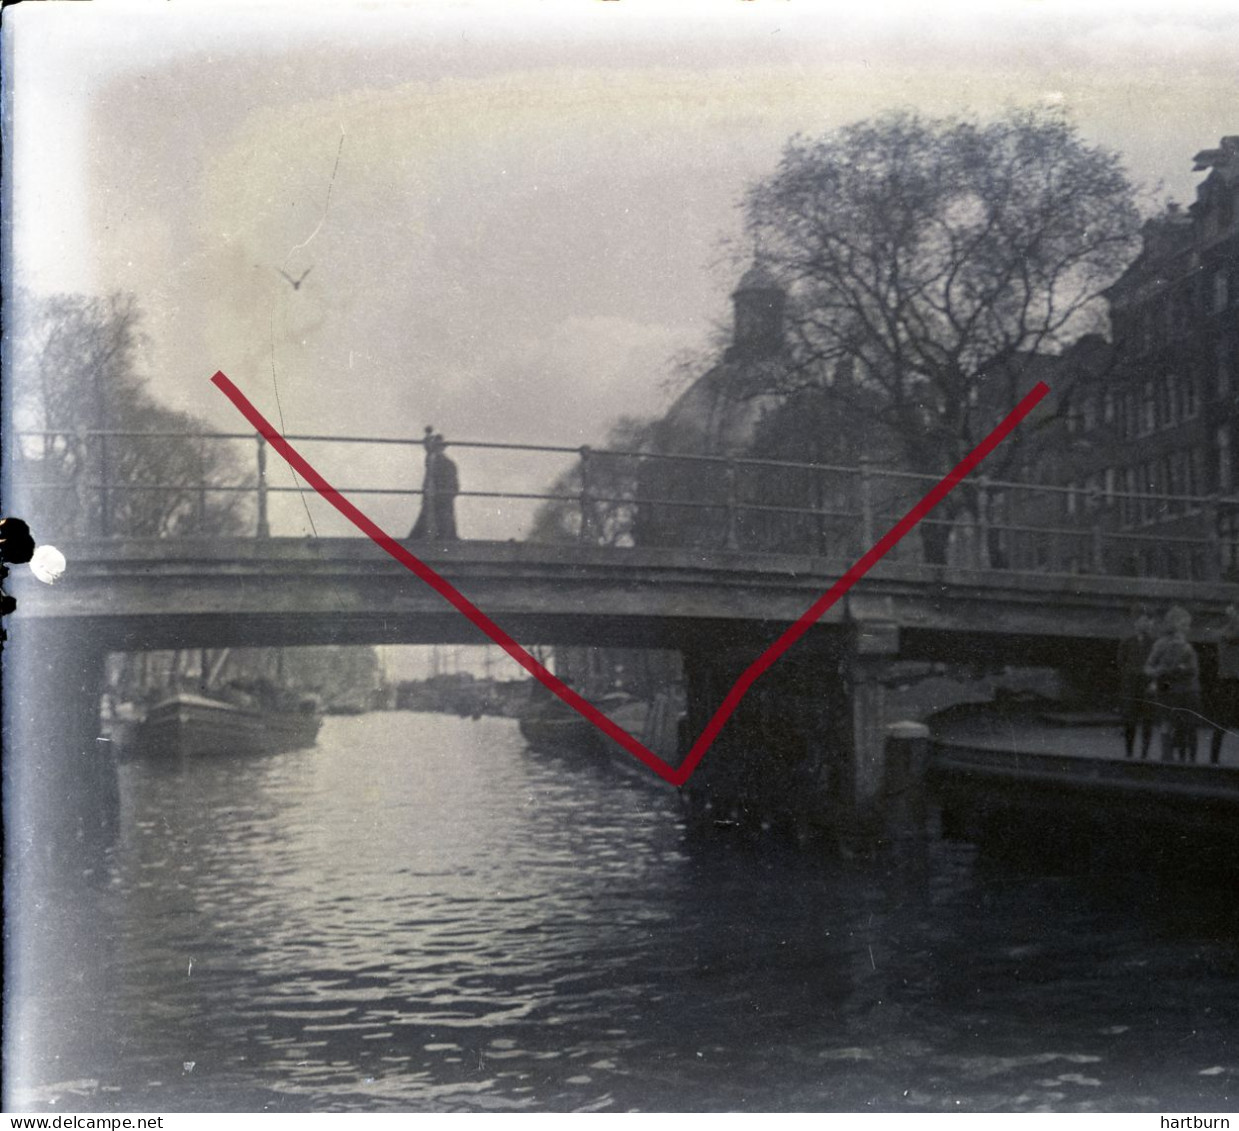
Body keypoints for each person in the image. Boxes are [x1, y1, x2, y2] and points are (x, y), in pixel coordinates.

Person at [1144, 605, 1201, 763]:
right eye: (1183, 625)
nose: (1187, 629)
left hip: (1186, 688)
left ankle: (1187, 759)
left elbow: (1194, 669)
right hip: (1168, 687)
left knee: (1187, 725)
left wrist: (1186, 669)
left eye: (1187, 625)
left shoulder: (1187, 646)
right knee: (1166, 722)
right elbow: (1148, 667)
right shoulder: (1161, 644)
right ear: (1173, 625)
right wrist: (1159, 671)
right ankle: (1167, 756)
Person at [1116, 607, 1156, 759]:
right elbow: (1121, 662)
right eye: (1142, 621)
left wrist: (1152, 681)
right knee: (1130, 720)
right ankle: (1129, 752)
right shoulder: (1127, 642)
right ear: (1136, 622)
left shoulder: (1153, 642)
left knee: (1147, 720)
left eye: (1147, 621)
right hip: (1131, 685)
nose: (1145, 624)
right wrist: (1129, 675)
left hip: (1146, 686)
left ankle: (1144, 753)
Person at [408, 429, 460, 541]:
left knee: (441, 519)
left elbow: (453, 486)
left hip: (441, 497)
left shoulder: (444, 462)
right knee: (433, 519)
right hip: (435, 496)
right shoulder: (432, 459)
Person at [1209, 603, 1239, 765]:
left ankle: (1214, 759)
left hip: (1231, 680)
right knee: (1221, 722)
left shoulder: (1228, 631)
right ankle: (1214, 760)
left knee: (1221, 722)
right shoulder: (1227, 632)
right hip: (1229, 681)